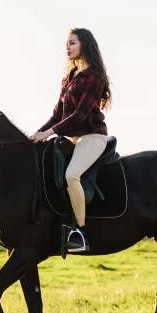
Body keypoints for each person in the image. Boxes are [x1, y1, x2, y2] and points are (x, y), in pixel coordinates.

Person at [29, 28, 112, 252]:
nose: (67, 47)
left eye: (72, 43)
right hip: (72, 138)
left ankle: (80, 232)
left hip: (92, 136)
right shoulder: (69, 77)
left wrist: (49, 133)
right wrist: (37, 134)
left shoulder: (94, 76)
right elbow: (57, 114)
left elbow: (81, 114)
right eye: (66, 44)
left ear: (84, 45)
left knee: (71, 175)